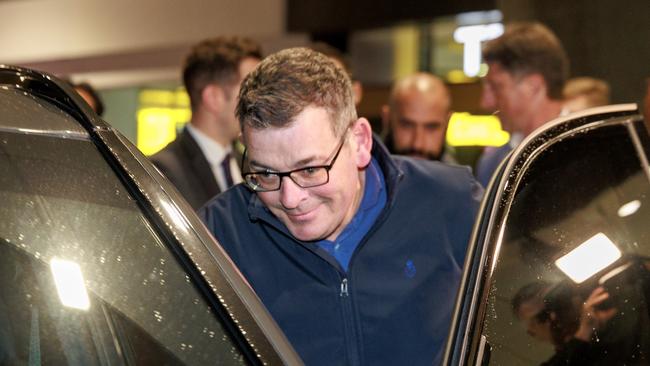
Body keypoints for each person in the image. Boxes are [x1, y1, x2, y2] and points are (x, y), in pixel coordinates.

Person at [198, 47, 483, 365]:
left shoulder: (450, 200)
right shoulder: (219, 234)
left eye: (310, 170)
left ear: (359, 141)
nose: (291, 199)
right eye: (265, 173)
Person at [151, 36, 262, 210]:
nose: (261, 101)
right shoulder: (162, 172)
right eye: (251, 90)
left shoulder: (252, 165)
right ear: (214, 98)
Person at [475, 22, 569, 187]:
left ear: (533, 87)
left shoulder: (596, 150)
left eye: (496, 87)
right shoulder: (492, 165)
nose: (485, 102)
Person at [381, 72, 456, 162]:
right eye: (407, 126)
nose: (417, 144)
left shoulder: (460, 175)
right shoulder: (364, 174)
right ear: (387, 119)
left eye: (431, 128)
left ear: (447, 123)